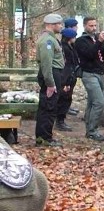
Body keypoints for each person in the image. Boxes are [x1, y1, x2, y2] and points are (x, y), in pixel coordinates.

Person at [75, 16, 104, 142]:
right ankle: (93, 131)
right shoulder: (80, 41)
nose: (93, 28)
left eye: (95, 26)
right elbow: (90, 54)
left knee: (91, 103)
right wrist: (99, 41)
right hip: (89, 74)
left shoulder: (97, 39)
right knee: (99, 102)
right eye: (91, 26)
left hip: (100, 74)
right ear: (85, 26)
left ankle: (89, 130)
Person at [34, 14, 66, 147]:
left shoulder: (51, 39)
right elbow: (46, 64)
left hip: (53, 73)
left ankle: (43, 136)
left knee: (47, 105)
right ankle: (45, 138)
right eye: (59, 24)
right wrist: (50, 84)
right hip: (51, 74)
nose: (61, 26)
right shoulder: (47, 41)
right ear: (52, 25)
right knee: (49, 106)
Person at [56, 27, 80, 132]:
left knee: (67, 99)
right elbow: (66, 65)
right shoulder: (64, 48)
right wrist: (65, 82)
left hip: (71, 76)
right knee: (63, 99)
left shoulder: (71, 46)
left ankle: (61, 120)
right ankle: (60, 121)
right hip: (66, 77)